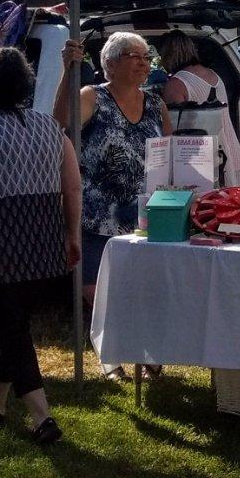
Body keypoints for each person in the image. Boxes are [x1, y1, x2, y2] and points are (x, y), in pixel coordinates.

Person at [0, 47, 81, 446]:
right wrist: (72, 235)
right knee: (10, 324)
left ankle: (42, 416)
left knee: (11, 329)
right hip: (44, 245)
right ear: (27, 86)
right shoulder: (51, 129)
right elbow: (73, 186)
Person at [54, 31, 171, 299]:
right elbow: (60, 122)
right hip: (98, 220)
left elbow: (168, 154)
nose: (144, 63)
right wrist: (68, 73)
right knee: (98, 294)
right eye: (135, 57)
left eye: (146, 57)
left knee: (140, 294)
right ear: (111, 63)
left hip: (144, 221)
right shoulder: (92, 97)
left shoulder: (156, 103)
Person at [156, 29, 240, 187]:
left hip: (196, 156)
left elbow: (172, 128)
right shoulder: (214, 75)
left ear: (168, 55)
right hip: (229, 148)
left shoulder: (176, 83)